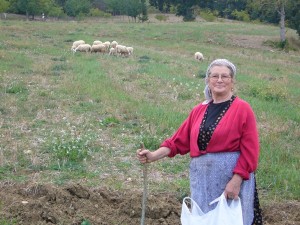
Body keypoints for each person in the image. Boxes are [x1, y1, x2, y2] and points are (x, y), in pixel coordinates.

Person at [136, 59, 263, 225]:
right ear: (208, 80)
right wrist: (153, 155)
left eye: (225, 76)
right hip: (202, 180)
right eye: (214, 76)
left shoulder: (242, 108)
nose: (219, 80)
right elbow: (177, 141)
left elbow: (250, 151)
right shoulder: (199, 110)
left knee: (229, 220)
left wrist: (236, 180)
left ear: (232, 81)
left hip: (229, 179)